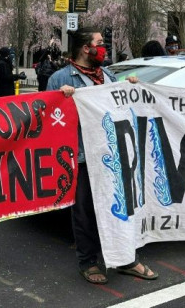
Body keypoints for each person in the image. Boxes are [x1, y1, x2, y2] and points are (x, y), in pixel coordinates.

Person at [48, 27, 158, 285]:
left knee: (121, 207)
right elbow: (51, 120)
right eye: (99, 43)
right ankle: (88, 262)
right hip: (84, 157)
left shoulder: (107, 76)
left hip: (114, 155)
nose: (104, 48)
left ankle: (126, 259)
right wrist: (60, 99)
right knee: (85, 212)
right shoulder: (60, 79)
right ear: (87, 48)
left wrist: (129, 89)